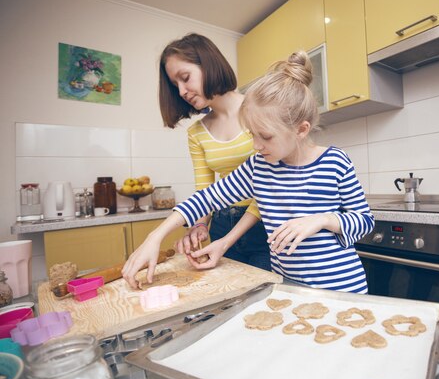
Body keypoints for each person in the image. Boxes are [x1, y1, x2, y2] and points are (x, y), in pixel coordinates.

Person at [123, 50, 374, 294]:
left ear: (301, 129)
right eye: (252, 134)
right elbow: (207, 198)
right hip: (288, 288)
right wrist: (155, 236)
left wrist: (322, 219)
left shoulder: (335, 162)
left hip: (342, 289)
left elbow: (364, 222)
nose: (256, 145)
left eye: (265, 136)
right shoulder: (259, 167)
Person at [159, 33, 270, 271]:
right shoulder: (196, 132)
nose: (181, 91)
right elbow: (206, 191)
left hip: (265, 224)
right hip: (221, 225)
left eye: (185, 78)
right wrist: (199, 226)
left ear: (208, 64)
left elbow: (272, 184)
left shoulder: (260, 109)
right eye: (175, 85)